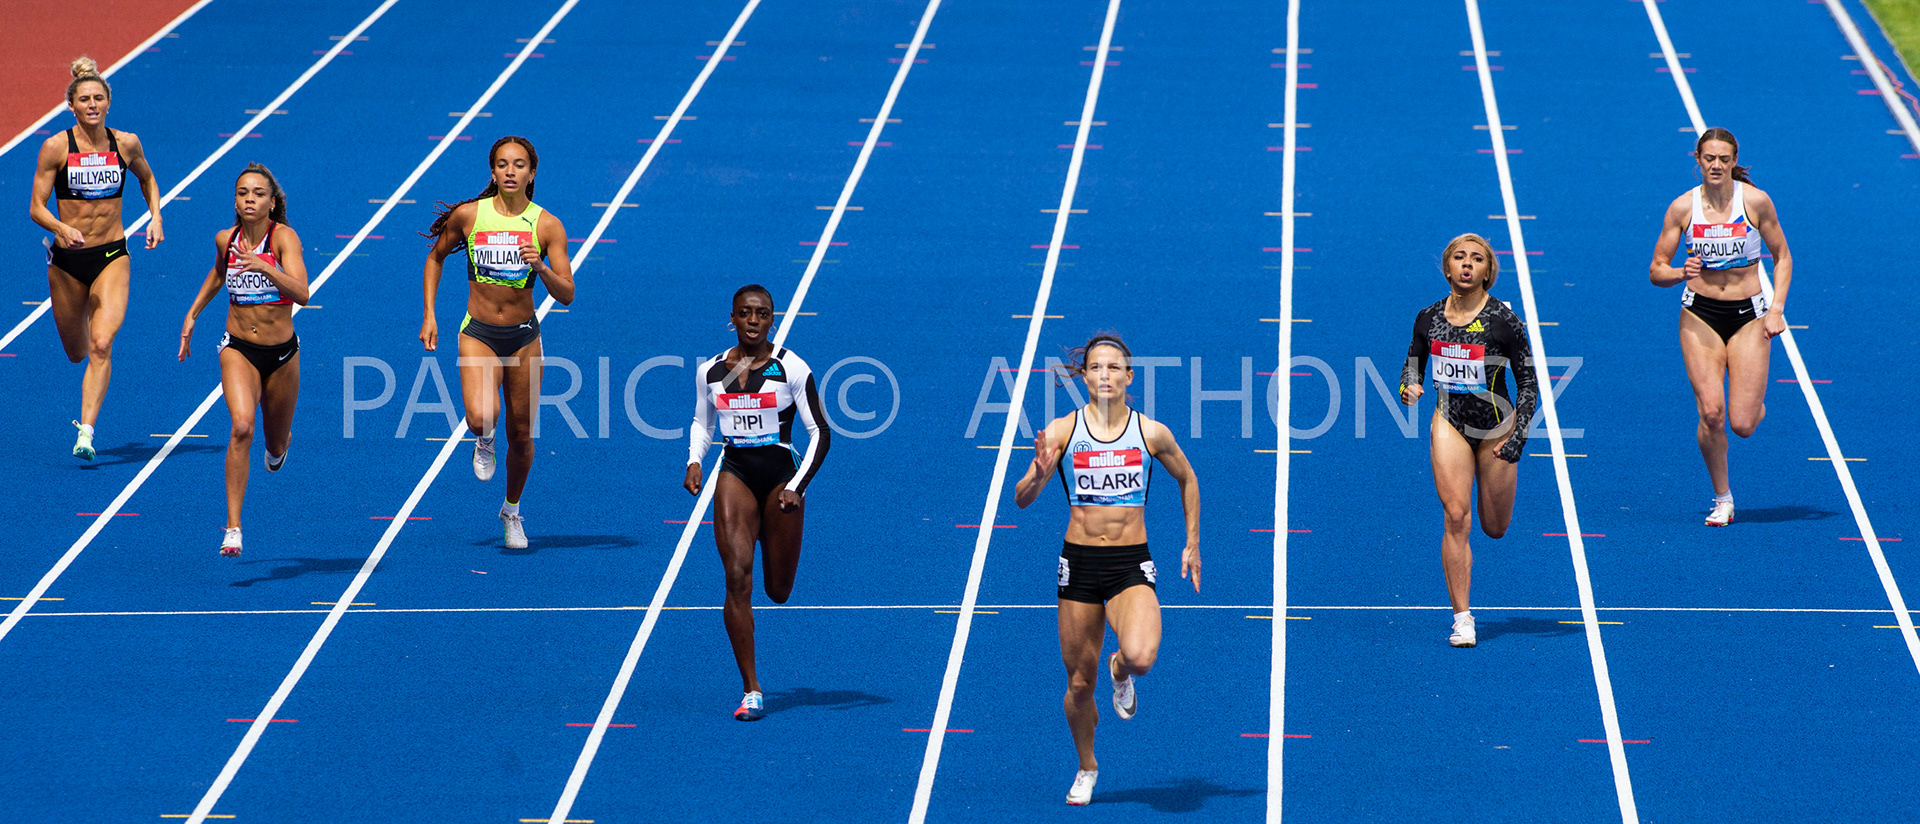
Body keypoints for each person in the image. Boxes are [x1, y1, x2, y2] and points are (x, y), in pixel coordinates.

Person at [1013, 332, 1200, 806]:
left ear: (1129, 376)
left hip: (1128, 563)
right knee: (1078, 684)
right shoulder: (1060, 431)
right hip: (1078, 566)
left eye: (1114, 368)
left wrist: (1191, 543)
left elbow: (1188, 478)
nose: (1104, 375)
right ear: (1084, 375)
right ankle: (1087, 766)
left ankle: (1121, 670)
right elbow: (1020, 499)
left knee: (1141, 656)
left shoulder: (1151, 433)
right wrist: (1038, 472)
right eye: (1096, 367)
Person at [685, 284, 830, 722]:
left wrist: (797, 486)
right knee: (736, 576)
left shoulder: (791, 368)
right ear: (732, 317)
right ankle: (751, 689)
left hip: (782, 478)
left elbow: (820, 433)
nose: (753, 320)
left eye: (762, 313)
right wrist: (694, 460)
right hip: (736, 474)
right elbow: (701, 421)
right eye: (745, 313)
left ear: (772, 319)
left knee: (778, 591)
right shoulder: (713, 371)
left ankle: (774, 536)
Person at [420, 136, 574, 549]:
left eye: (519, 164)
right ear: (492, 171)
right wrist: (430, 314)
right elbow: (435, 258)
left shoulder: (546, 225)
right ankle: (483, 439)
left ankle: (511, 511)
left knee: (522, 435)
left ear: (532, 173)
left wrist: (539, 265)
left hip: (524, 338)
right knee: (480, 417)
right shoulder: (469, 217)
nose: (510, 171)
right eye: (503, 164)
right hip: (479, 333)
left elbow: (567, 293)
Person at [1648, 127, 1792, 527]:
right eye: (1709, 158)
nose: (1716, 165)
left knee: (1741, 424)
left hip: (1749, 315)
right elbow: (1655, 270)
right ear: (1697, 160)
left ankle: (1752, 401)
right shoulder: (1682, 208)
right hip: (1700, 315)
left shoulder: (1756, 201)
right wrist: (1679, 272)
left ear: (1733, 161)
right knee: (1711, 412)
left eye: (1723, 159)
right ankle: (1723, 498)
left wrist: (1776, 308)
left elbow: (1782, 257)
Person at [1399, 233, 1537, 648]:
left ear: (1487, 271)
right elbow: (1412, 364)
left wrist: (1519, 439)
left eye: (1476, 259)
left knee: (1494, 527)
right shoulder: (1428, 317)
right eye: (1459, 257)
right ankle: (1462, 617)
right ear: (1447, 268)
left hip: (1497, 427)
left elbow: (1528, 381)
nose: (1467, 264)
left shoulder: (1502, 321)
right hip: (1449, 421)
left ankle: (1494, 498)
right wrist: (1409, 386)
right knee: (1456, 515)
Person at [28, 56, 165, 460]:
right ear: (71, 105)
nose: (91, 105)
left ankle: (86, 432)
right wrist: (59, 227)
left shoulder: (126, 143)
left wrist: (156, 216)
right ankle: (86, 310)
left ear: (108, 103)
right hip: (68, 261)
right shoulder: (56, 147)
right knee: (78, 351)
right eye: (84, 99)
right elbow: (36, 206)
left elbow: (148, 178)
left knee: (102, 344)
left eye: (98, 98)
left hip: (111, 254)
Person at [180, 164, 309, 557]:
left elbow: (303, 292)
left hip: (282, 353)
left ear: (272, 202)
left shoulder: (284, 238)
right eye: (242, 193)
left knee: (272, 443)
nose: (249, 199)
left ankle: (278, 446)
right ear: (235, 201)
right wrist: (193, 313)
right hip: (238, 347)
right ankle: (233, 527)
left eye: (257, 193)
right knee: (240, 427)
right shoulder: (226, 239)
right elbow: (219, 275)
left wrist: (266, 267)